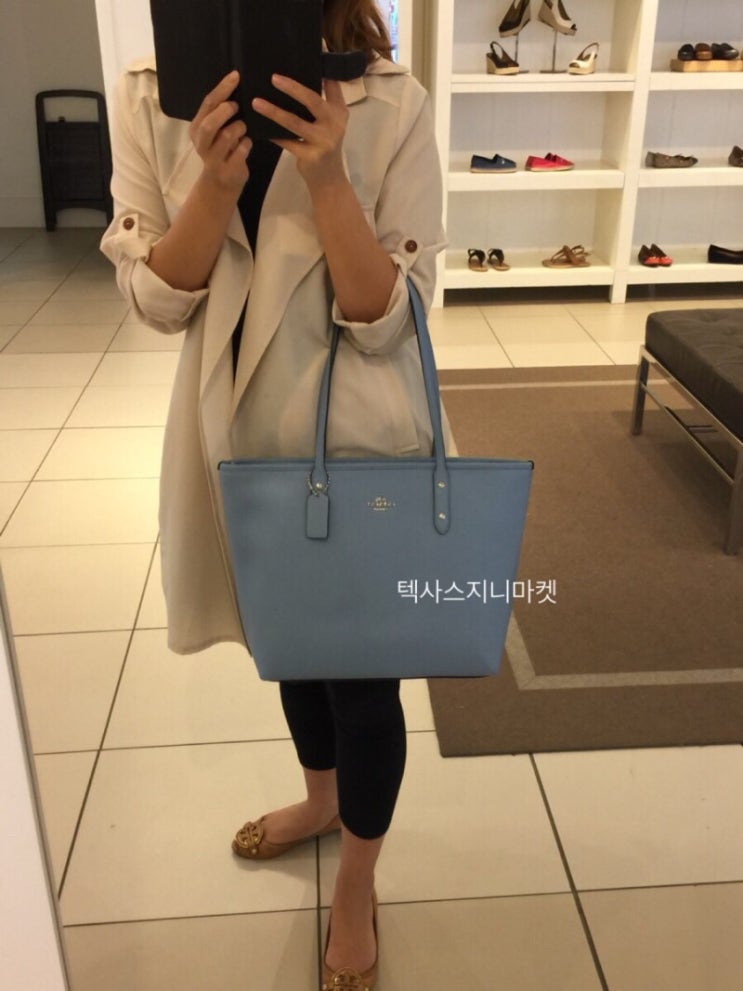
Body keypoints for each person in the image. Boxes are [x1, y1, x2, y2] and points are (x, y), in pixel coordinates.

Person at [100, 2, 450, 987]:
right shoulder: (151, 97)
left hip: (358, 435)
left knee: (363, 680)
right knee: (288, 648)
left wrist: (327, 176)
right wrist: (214, 186)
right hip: (237, 428)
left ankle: (356, 882)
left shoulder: (390, 101)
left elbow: (389, 318)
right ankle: (322, 799)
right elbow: (156, 303)